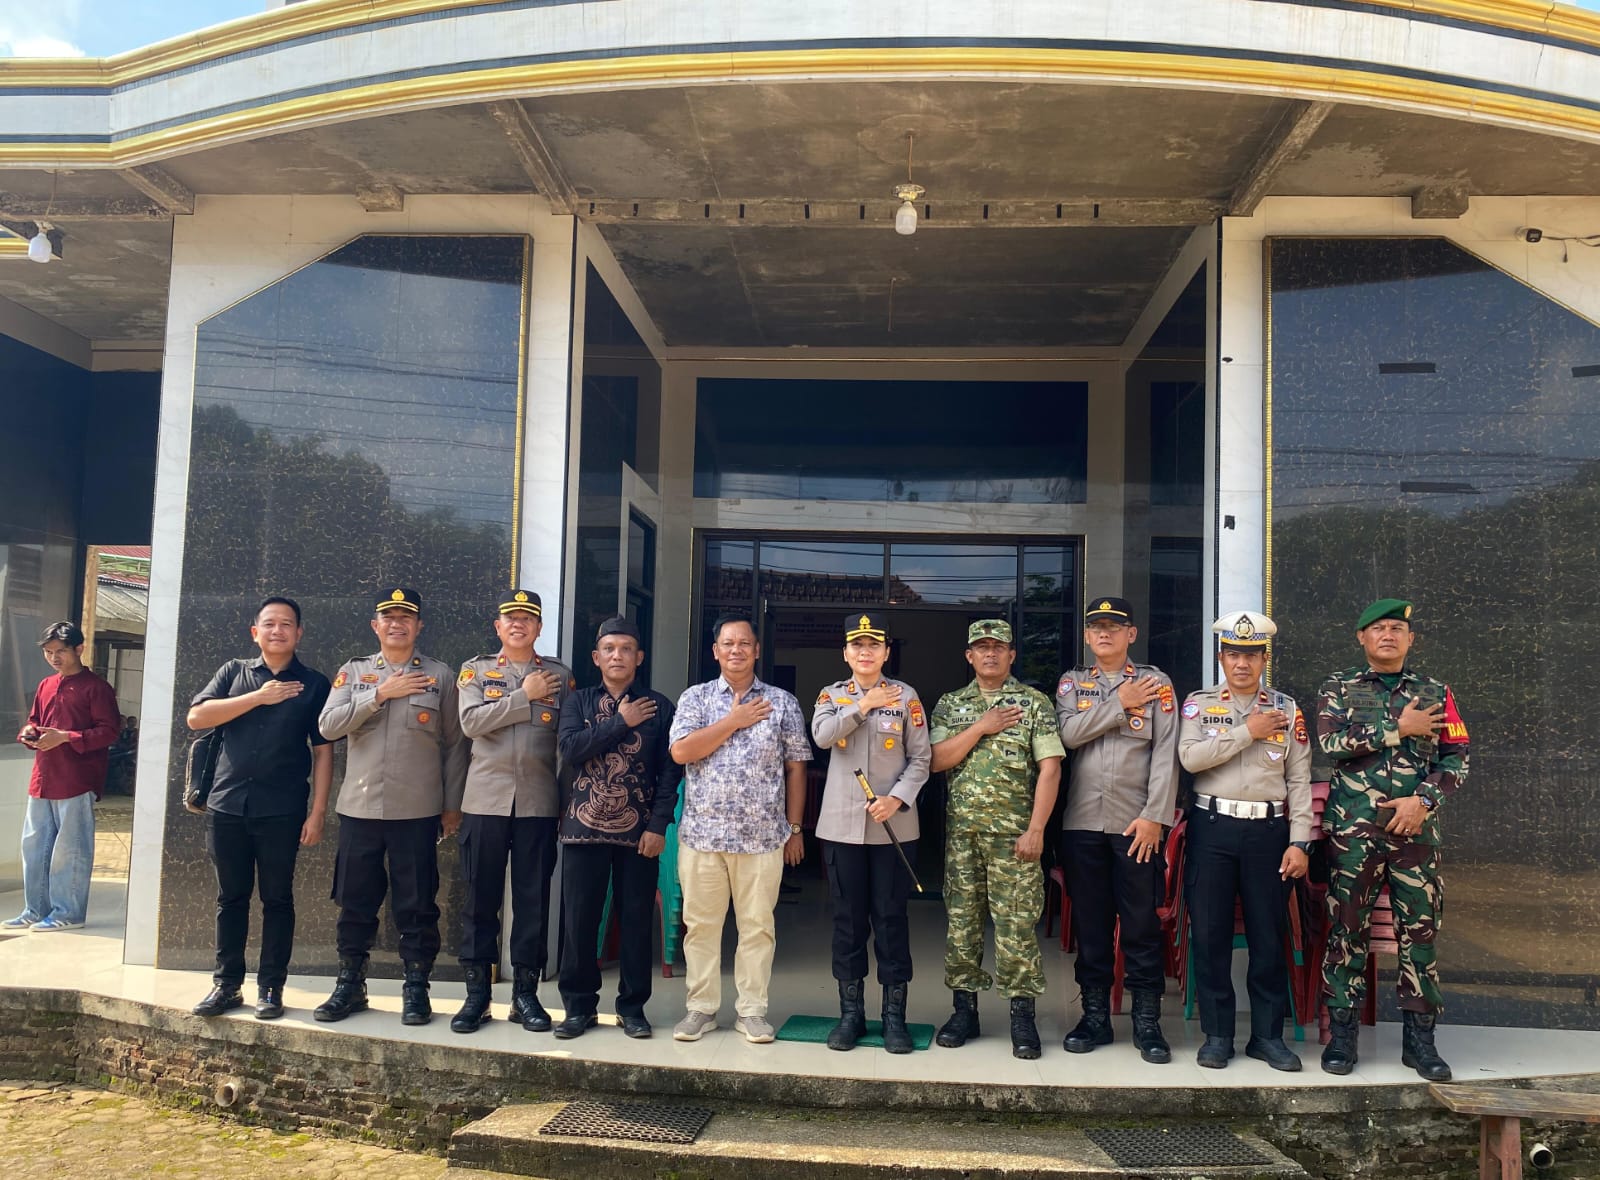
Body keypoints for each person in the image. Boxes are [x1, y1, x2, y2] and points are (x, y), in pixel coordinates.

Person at [1317, 598, 1468, 1081]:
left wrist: (1423, 800)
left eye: (1397, 629)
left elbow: (1457, 756)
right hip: (1354, 832)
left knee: (1419, 931)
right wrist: (1397, 728)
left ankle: (1420, 1042)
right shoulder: (1339, 687)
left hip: (1414, 832)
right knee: (1346, 930)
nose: (1388, 635)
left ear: (1410, 639)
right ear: (1361, 638)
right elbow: (1331, 743)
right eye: (1378, 628)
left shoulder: (1435, 692)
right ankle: (1342, 1038)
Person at [314, 587, 468, 1026]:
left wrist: (452, 805)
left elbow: (456, 745)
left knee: (417, 905)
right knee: (355, 902)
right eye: (389, 617)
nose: (397, 624)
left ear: (419, 626)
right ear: (375, 626)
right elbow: (327, 726)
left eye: (406, 617)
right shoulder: (354, 672)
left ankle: (416, 988)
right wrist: (379, 695)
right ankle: (350, 985)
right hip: (360, 809)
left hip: (417, 811)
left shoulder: (440, 676)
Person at [187, 597, 334, 1020]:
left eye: (286, 624)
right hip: (227, 805)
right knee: (230, 898)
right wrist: (258, 697)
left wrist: (318, 812)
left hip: (282, 810)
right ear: (255, 632)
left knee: (277, 899)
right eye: (269, 624)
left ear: (299, 633)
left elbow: (323, 751)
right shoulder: (233, 673)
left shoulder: (314, 684)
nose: (277, 630)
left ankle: (271, 987)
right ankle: (226, 985)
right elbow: (197, 717)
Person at [667, 612, 810, 1045]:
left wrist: (795, 828)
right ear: (715, 651)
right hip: (703, 836)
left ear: (757, 650)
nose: (736, 650)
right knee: (701, 926)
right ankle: (701, 1008)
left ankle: (752, 1011)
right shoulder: (695, 698)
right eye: (728, 643)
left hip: (763, 837)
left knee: (758, 927)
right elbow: (681, 752)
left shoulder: (782, 702)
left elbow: (796, 768)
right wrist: (734, 720)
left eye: (744, 643)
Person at [1178, 611, 1312, 1071]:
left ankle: (1267, 1037)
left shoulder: (1286, 709)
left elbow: (1299, 780)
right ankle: (1217, 1036)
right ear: (1221, 657)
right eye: (1234, 654)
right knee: (1210, 932)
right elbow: (1190, 758)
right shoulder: (1198, 704)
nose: (1242, 663)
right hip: (1212, 827)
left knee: (1268, 936)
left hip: (1269, 834)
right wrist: (1246, 732)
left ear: (1263, 659)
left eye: (1251, 655)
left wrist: (1300, 841)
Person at [929, 618, 1064, 1059]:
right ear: (969, 656)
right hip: (963, 837)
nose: (990, 653)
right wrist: (981, 727)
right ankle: (964, 1012)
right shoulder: (951, 704)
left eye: (998, 647)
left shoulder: (1034, 703)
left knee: (1017, 928)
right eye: (982, 647)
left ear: (1011, 655)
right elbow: (936, 760)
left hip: (1015, 837)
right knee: (962, 925)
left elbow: (1050, 769)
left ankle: (1022, 1016)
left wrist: (1037, 829)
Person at [1055, 596, 1179, 1063]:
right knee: (1091, 924)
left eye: (1114, 626)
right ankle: (1094, 1017)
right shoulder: (1072, 683)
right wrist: (1118, 703)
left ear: (1132, 634)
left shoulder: (1156, 683)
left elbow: (1166, 753)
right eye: (1096, 627)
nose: (1104, 633)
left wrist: (1155, 817)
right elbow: (1067, 735)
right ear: (1087, 636)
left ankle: (1147, 1022)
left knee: (1141, 925)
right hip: (1082, 822)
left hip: (1136, 825)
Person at [450, 589, 575, 1034]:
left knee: (532, 901)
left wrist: (566, 804)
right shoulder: (476, 670)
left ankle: (525, 994)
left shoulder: (559, 675)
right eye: (511, 618)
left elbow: (566, 746)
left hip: (538, 803)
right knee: (479, 900)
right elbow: (471, 723)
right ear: (498, 627)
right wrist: (524, 696)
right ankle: (476, 995)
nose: (519, 624)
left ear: (538, 627)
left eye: (527, 618)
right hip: (485, 801)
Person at [553, 616, 680, 1039]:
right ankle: (578, 1007)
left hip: (638, 834)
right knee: (579, 921)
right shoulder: (579, 702)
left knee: (636, 921)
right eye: (609, 649)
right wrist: (620, 721)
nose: (617, 656)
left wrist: (659, 825)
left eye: (626, 649)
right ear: (596, 657)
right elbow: (570, 749)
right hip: (582, 828)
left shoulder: (659, 706)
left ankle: (633, 1007)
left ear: (639, 657)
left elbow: (669, 773)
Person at [810, 612, 931, 1054]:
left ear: (886, 652)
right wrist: (863, 705)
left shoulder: (907, 697)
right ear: (845, 653)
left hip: (893, 827)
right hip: (841, 829)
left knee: (891, 919)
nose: (865, 652)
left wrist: (896, 799)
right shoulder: (831, 696)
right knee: (847, 922)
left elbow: (921, 758)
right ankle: (851, 1015)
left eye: (874, 645)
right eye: (857, 645)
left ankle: (894, 1018)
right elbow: (822, 736)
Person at [5, 622, 120, 933]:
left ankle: (68, 912)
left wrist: (66, 736)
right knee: (34, 847)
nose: (54, 658)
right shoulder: (46, 685)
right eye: (48, 652)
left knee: (70, 849)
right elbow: (34, 720)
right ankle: (35, 910)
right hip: (43, 778)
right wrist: (29, 733)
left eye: (61, 651)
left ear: (79, 649)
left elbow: (109, 732)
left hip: (76, 779)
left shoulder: (96, 688)